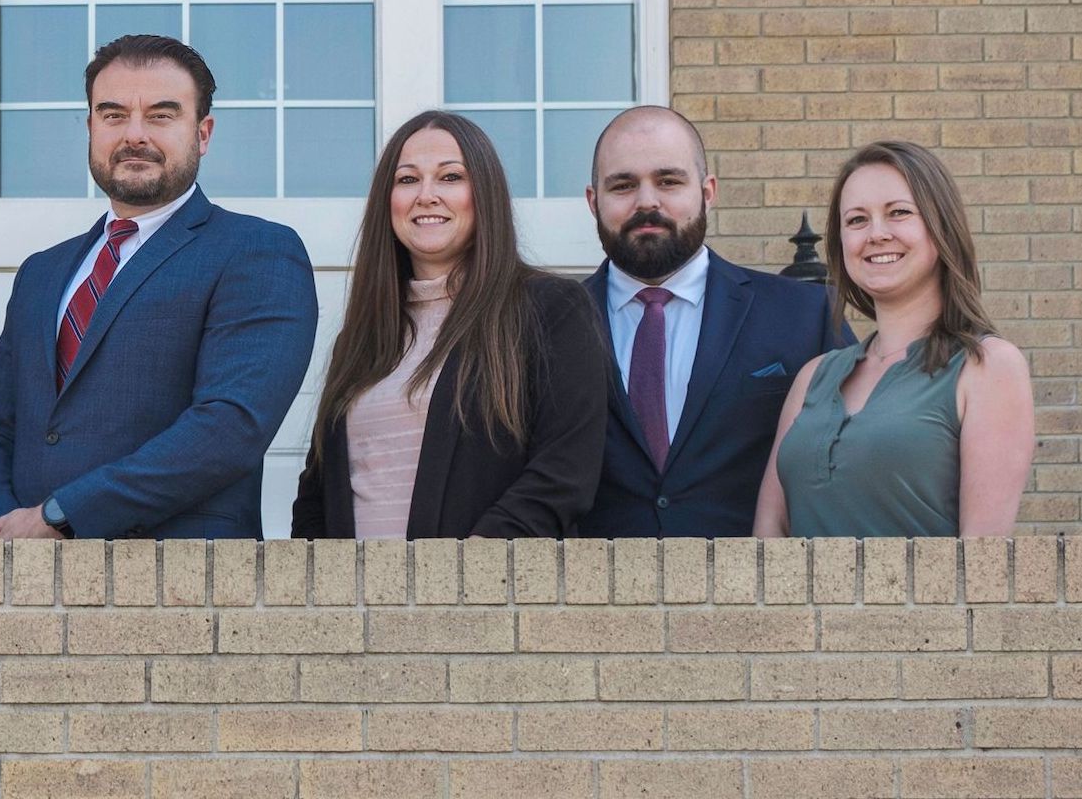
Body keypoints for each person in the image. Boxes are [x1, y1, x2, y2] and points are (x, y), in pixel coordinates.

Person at [0, 35, 319, 540]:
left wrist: (60, 516)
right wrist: (3, 530)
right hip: (23, 573)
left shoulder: (257, 251)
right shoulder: (41, 273)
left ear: (203, 133)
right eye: (113, 115)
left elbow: (229, 427)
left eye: (161, 115)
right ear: (90, 128)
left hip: (181, 573)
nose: (134, 135)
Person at [291, 112, 610, 539]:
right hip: (357, 583)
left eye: (450, 177)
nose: (426, 196)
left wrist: (465, 568)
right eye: (407, 180)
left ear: (484, 194)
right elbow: (316, 495)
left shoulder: (550, 310)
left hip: (484, 580)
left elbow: (564, 473)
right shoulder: (361, 339)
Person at [577, 106, 852, 538]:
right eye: (623, 185)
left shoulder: (805, 314)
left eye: (669, 181)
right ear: (594, 202)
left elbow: (852, 463)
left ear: (708, 192)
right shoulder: (543, 325)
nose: (647, 201)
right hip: (592, 579)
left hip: (755, 577)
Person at [755, 141, 1033, 538]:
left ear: (941, 226)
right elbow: (767, 539)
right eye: (856, 220)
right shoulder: (813, 377)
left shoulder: (987, 366)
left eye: (898, 212)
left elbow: (981, 560)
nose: (877, 234)